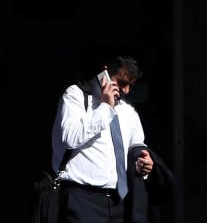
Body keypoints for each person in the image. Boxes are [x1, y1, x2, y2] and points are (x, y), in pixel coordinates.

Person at [50, 55, 154, 223]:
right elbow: (70, 138)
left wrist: (143, 162)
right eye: (122, 82)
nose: (126, 90)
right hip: (82, 199)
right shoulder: (76, 96)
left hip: (117, 201)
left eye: (130, 85)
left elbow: (136, 145)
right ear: (105, 72)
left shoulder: (127, 110)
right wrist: (105, 107)